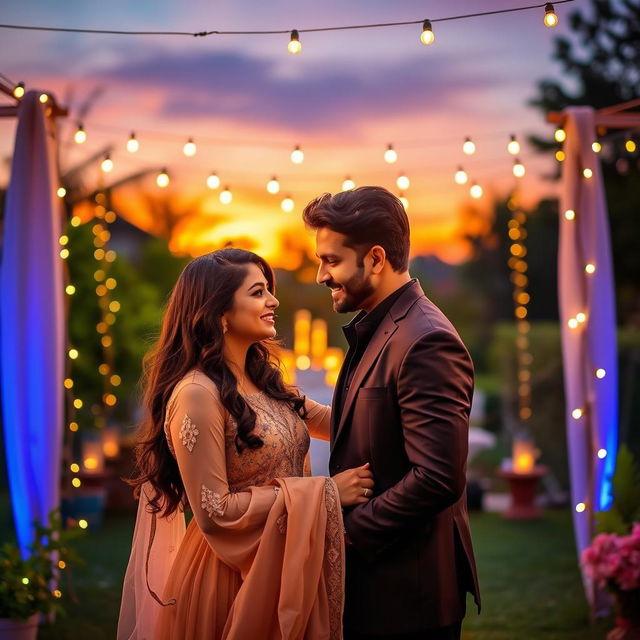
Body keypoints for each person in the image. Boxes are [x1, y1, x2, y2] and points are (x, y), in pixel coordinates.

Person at [117, 248, 374, 640]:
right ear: (218, 312)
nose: (273, 301)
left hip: (286, 563)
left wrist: (395, 381)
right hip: (230, 578)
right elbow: (213, 511)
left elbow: (342, 422)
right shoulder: (196, 394)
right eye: (257, 292)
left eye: (269, 290)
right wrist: (327, 492)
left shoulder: (266, 381)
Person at [302, 187, 481, 640]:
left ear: (376, 258)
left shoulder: (425, 340)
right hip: (379, 591)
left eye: (332, 260)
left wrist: (346, 533)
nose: (322, 274)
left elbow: (438, 477)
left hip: (407, 598)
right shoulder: (381, 324)